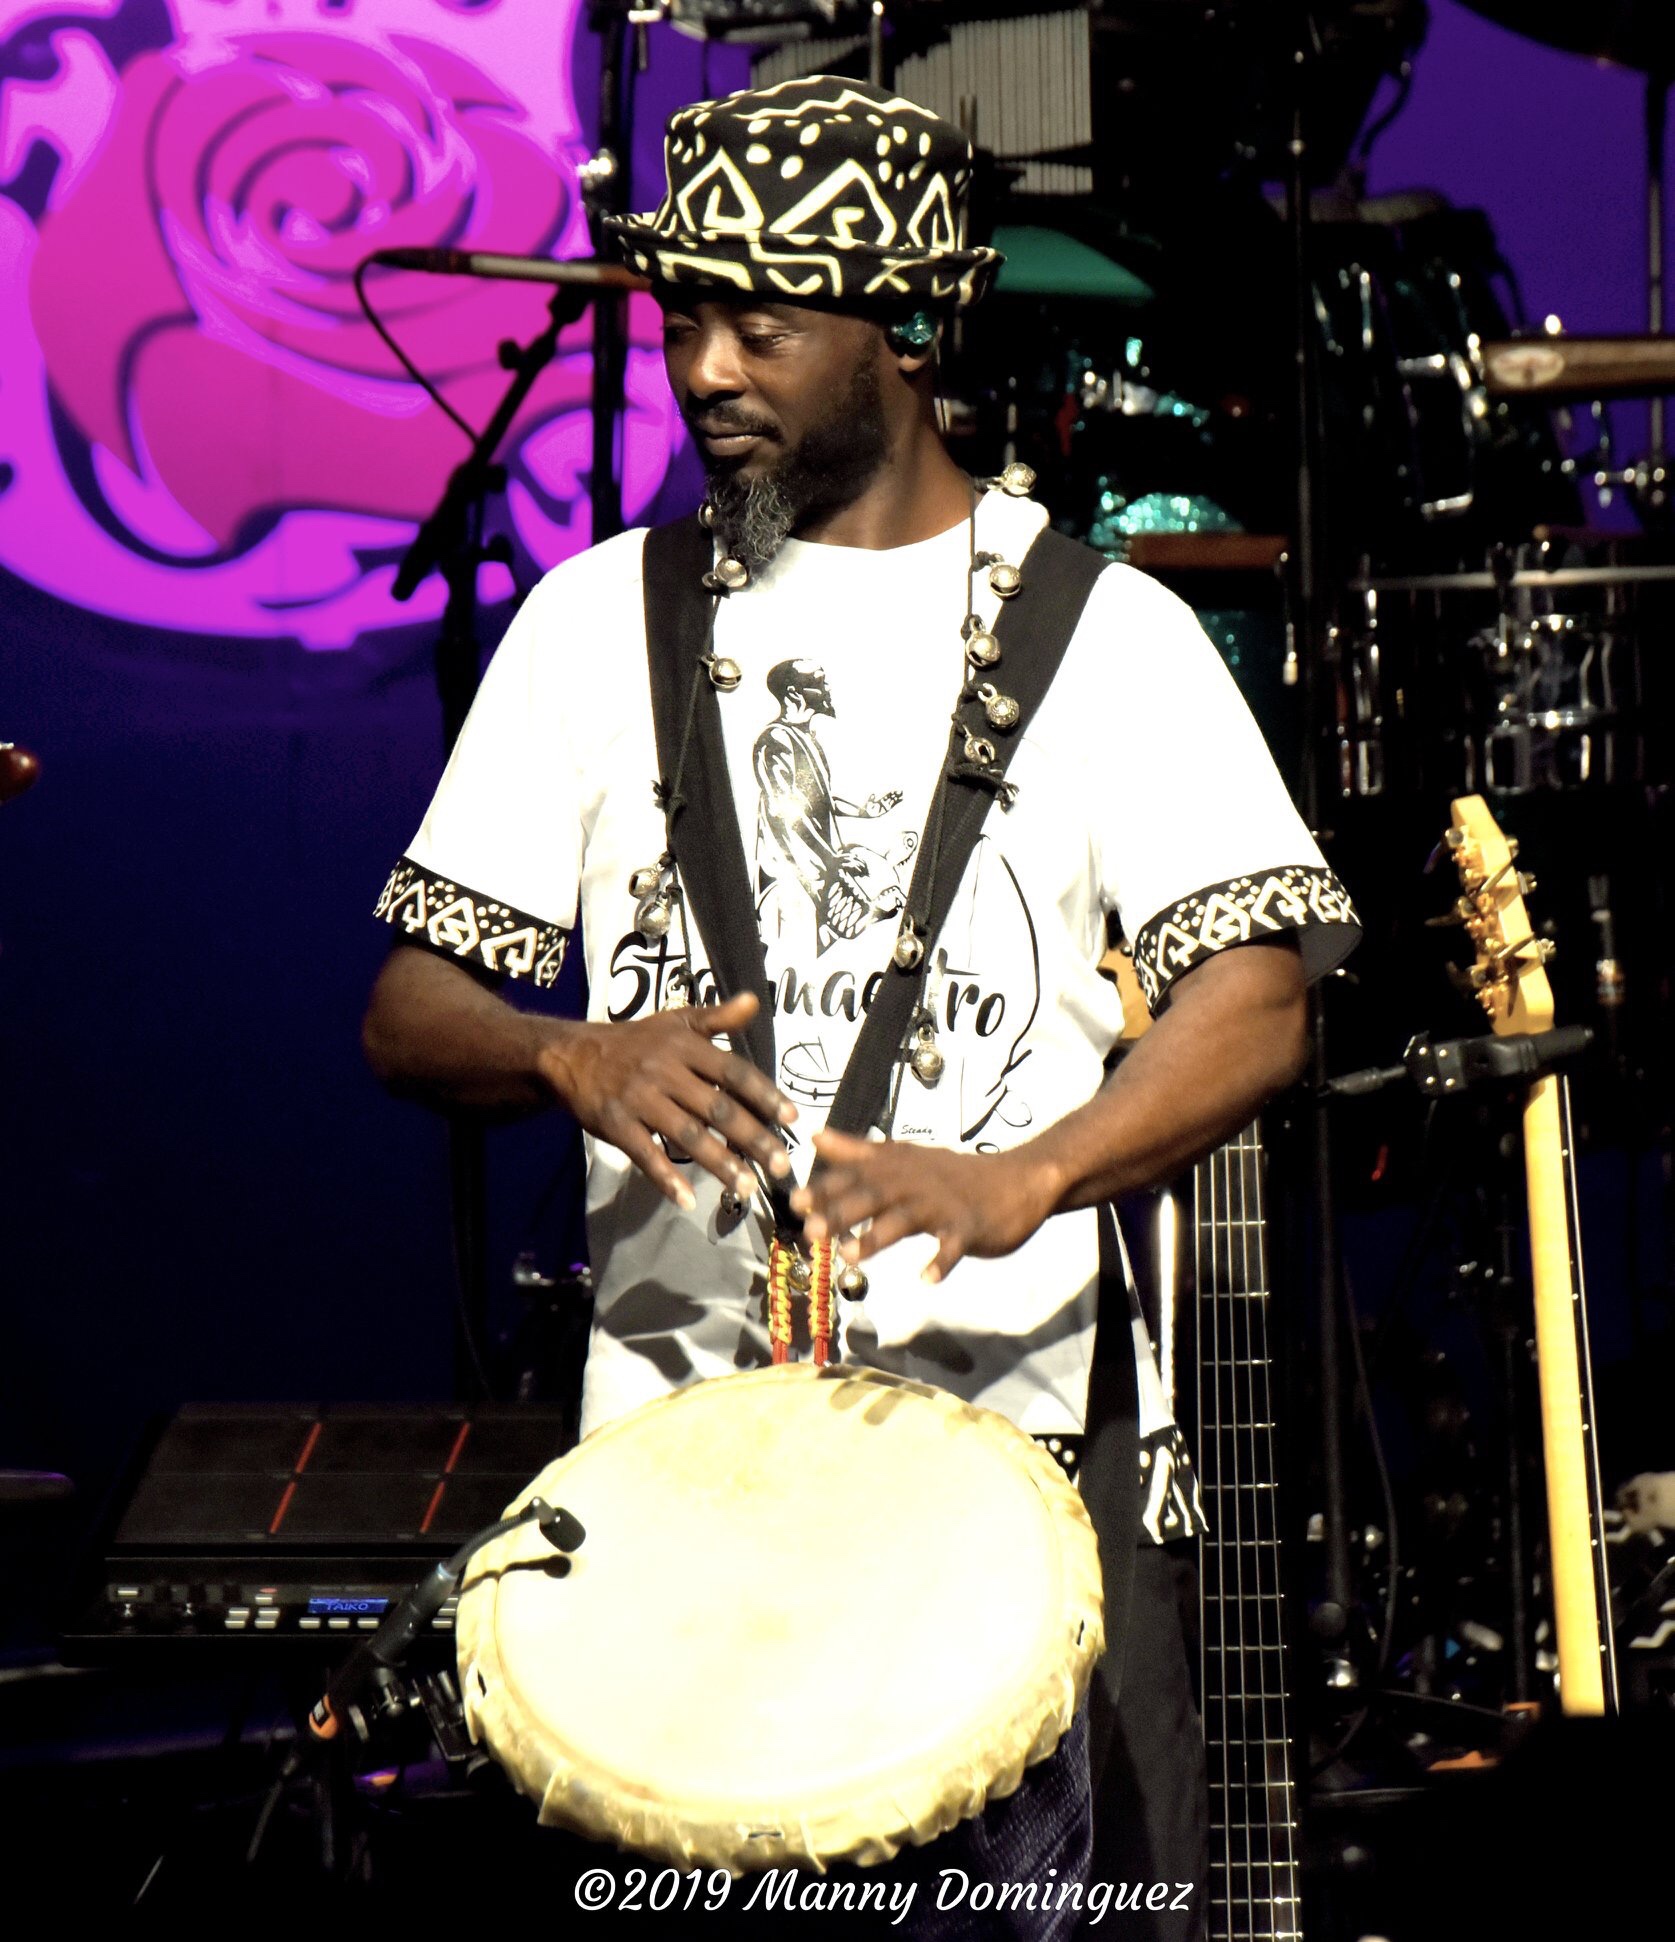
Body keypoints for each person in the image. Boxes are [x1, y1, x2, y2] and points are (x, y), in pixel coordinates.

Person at [364, 74, 1359, 1938]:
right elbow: (410, 1010)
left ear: (903, 326)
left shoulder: (1108, 633)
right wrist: (565, 1048)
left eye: (763, 323)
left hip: (1010, 1477)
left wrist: (1026, 1175)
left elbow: (1257, 998)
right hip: (673, 1483)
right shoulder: (593, 623)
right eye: (684, 317)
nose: (704, 367)